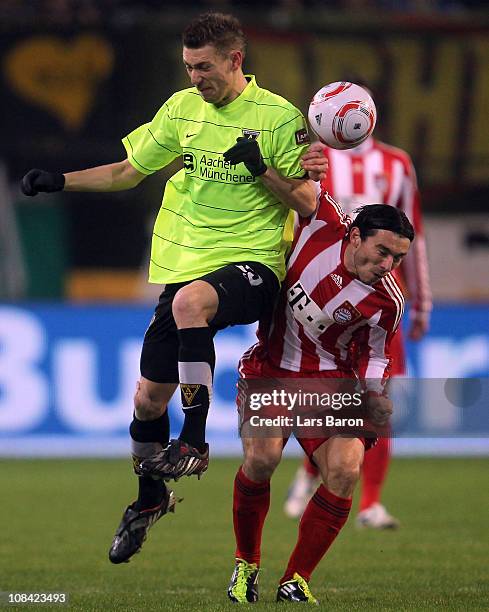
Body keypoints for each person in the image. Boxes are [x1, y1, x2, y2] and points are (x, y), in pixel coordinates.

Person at [20, 12, 328, 565]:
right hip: (185, 265)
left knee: (193, 303)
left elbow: (308, 203)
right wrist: (60, 180)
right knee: (145, 401)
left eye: (204, 67)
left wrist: (261, 170)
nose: (195, 78)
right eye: (188, 67)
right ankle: (149, 498)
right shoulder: (182, 109)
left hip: (252, 264)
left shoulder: (279, 118)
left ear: (235, 60)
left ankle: (195, 440)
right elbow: (128, 171)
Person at [228, 196, 414, 603]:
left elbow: (378, 353)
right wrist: (304, 158)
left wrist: (373, 394)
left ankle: (296, 579)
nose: (387, 265)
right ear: (354, 237)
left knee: (346, 470)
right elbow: (301, 186)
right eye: (382, 251)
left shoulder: (388, 301)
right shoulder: (323, 223)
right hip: (271, 369)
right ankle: (246, 564)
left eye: (397, 259)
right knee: (261, 461)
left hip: (332, 383)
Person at [284, 132, 432, 528]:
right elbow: (299, 205)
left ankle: (370, 503)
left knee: (378, 396)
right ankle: (310, 471)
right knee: (317, 385)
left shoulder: (397, 163)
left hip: (372, 301)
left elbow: (412, 236)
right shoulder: (315, 159)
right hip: (323, 279)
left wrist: (421, 298)